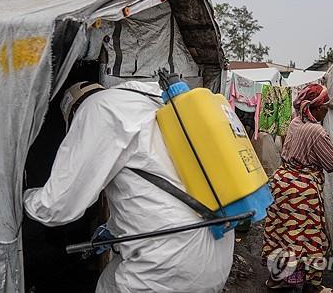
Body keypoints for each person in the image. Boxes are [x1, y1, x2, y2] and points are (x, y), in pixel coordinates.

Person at [23, 80, 234, 293]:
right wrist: (113, 228)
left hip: (170, 258)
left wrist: (21, 200)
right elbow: (153, 189)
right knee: (108, 283)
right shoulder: (156, 106)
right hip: (218, 249)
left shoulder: (98, 108)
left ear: (75, 111)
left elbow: (59, 206)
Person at [261, 84, 333, 293]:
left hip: (282, 184)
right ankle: (312, 286)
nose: (327, 110)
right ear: (316, 108)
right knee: (304, 238)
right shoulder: (317, 130)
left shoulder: (296, 123)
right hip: (301, 192)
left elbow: (309, 153)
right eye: (325, 106)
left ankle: (277, 280)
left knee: (283, 234)